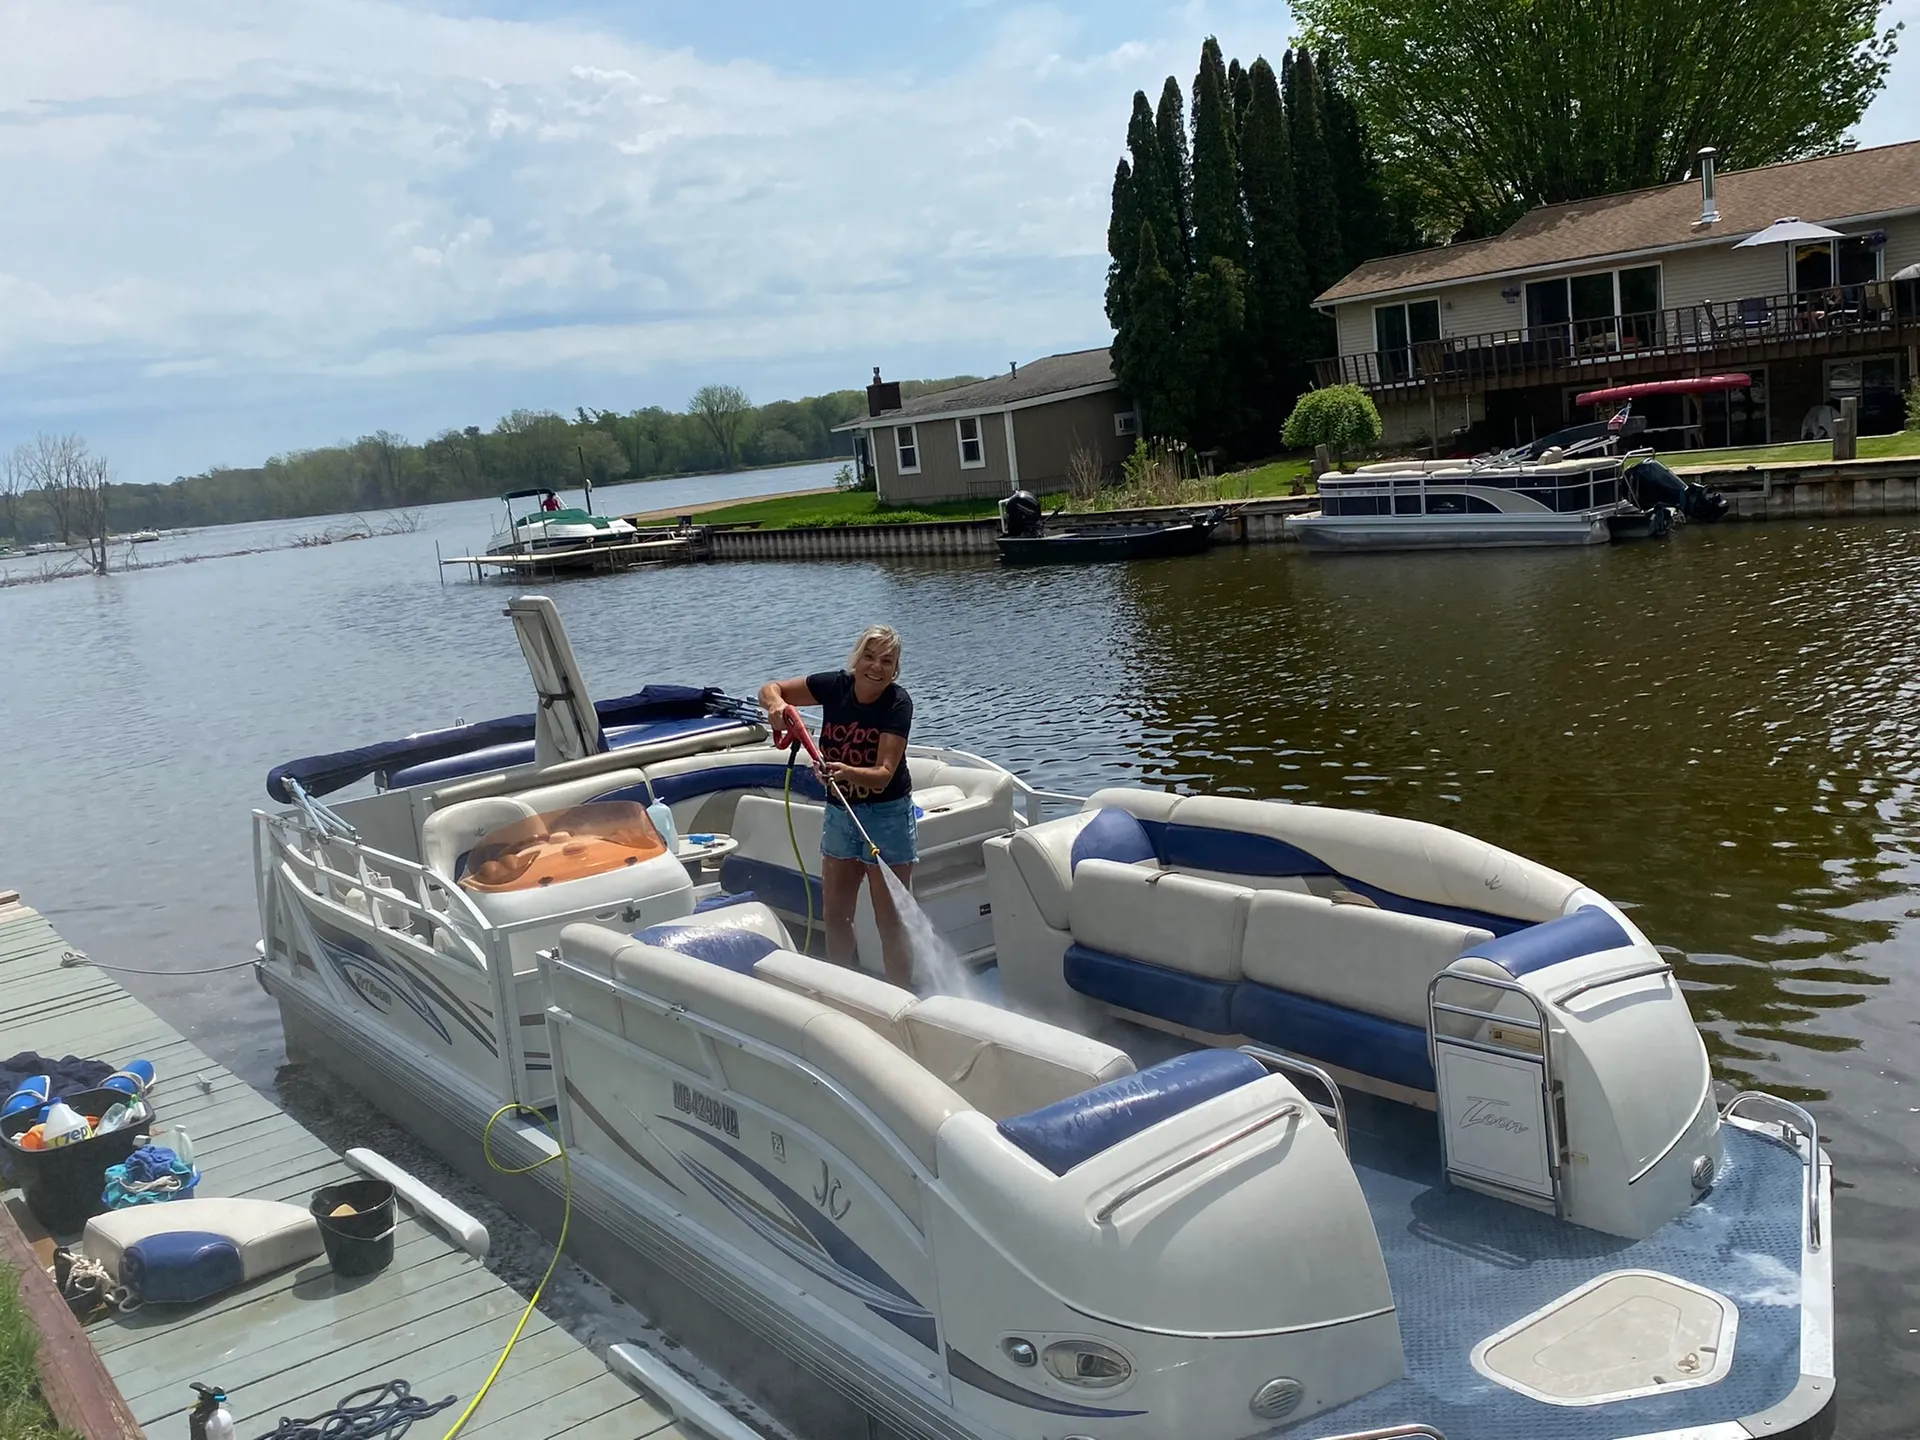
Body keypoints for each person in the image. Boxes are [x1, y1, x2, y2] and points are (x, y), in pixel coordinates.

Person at [759, 626, 916, 987]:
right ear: (856, 658)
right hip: (840, 813)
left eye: (886, 661)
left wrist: (844, 770)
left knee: (890, 922)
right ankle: (842, 990)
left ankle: (903, 998)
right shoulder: (835, 686)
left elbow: (882, 775)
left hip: (886, 816)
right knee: (835, 915)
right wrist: (777, 706)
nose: (876, 667)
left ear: (895, 670)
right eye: (869, 656)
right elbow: (772, 688)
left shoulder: (897, 703)